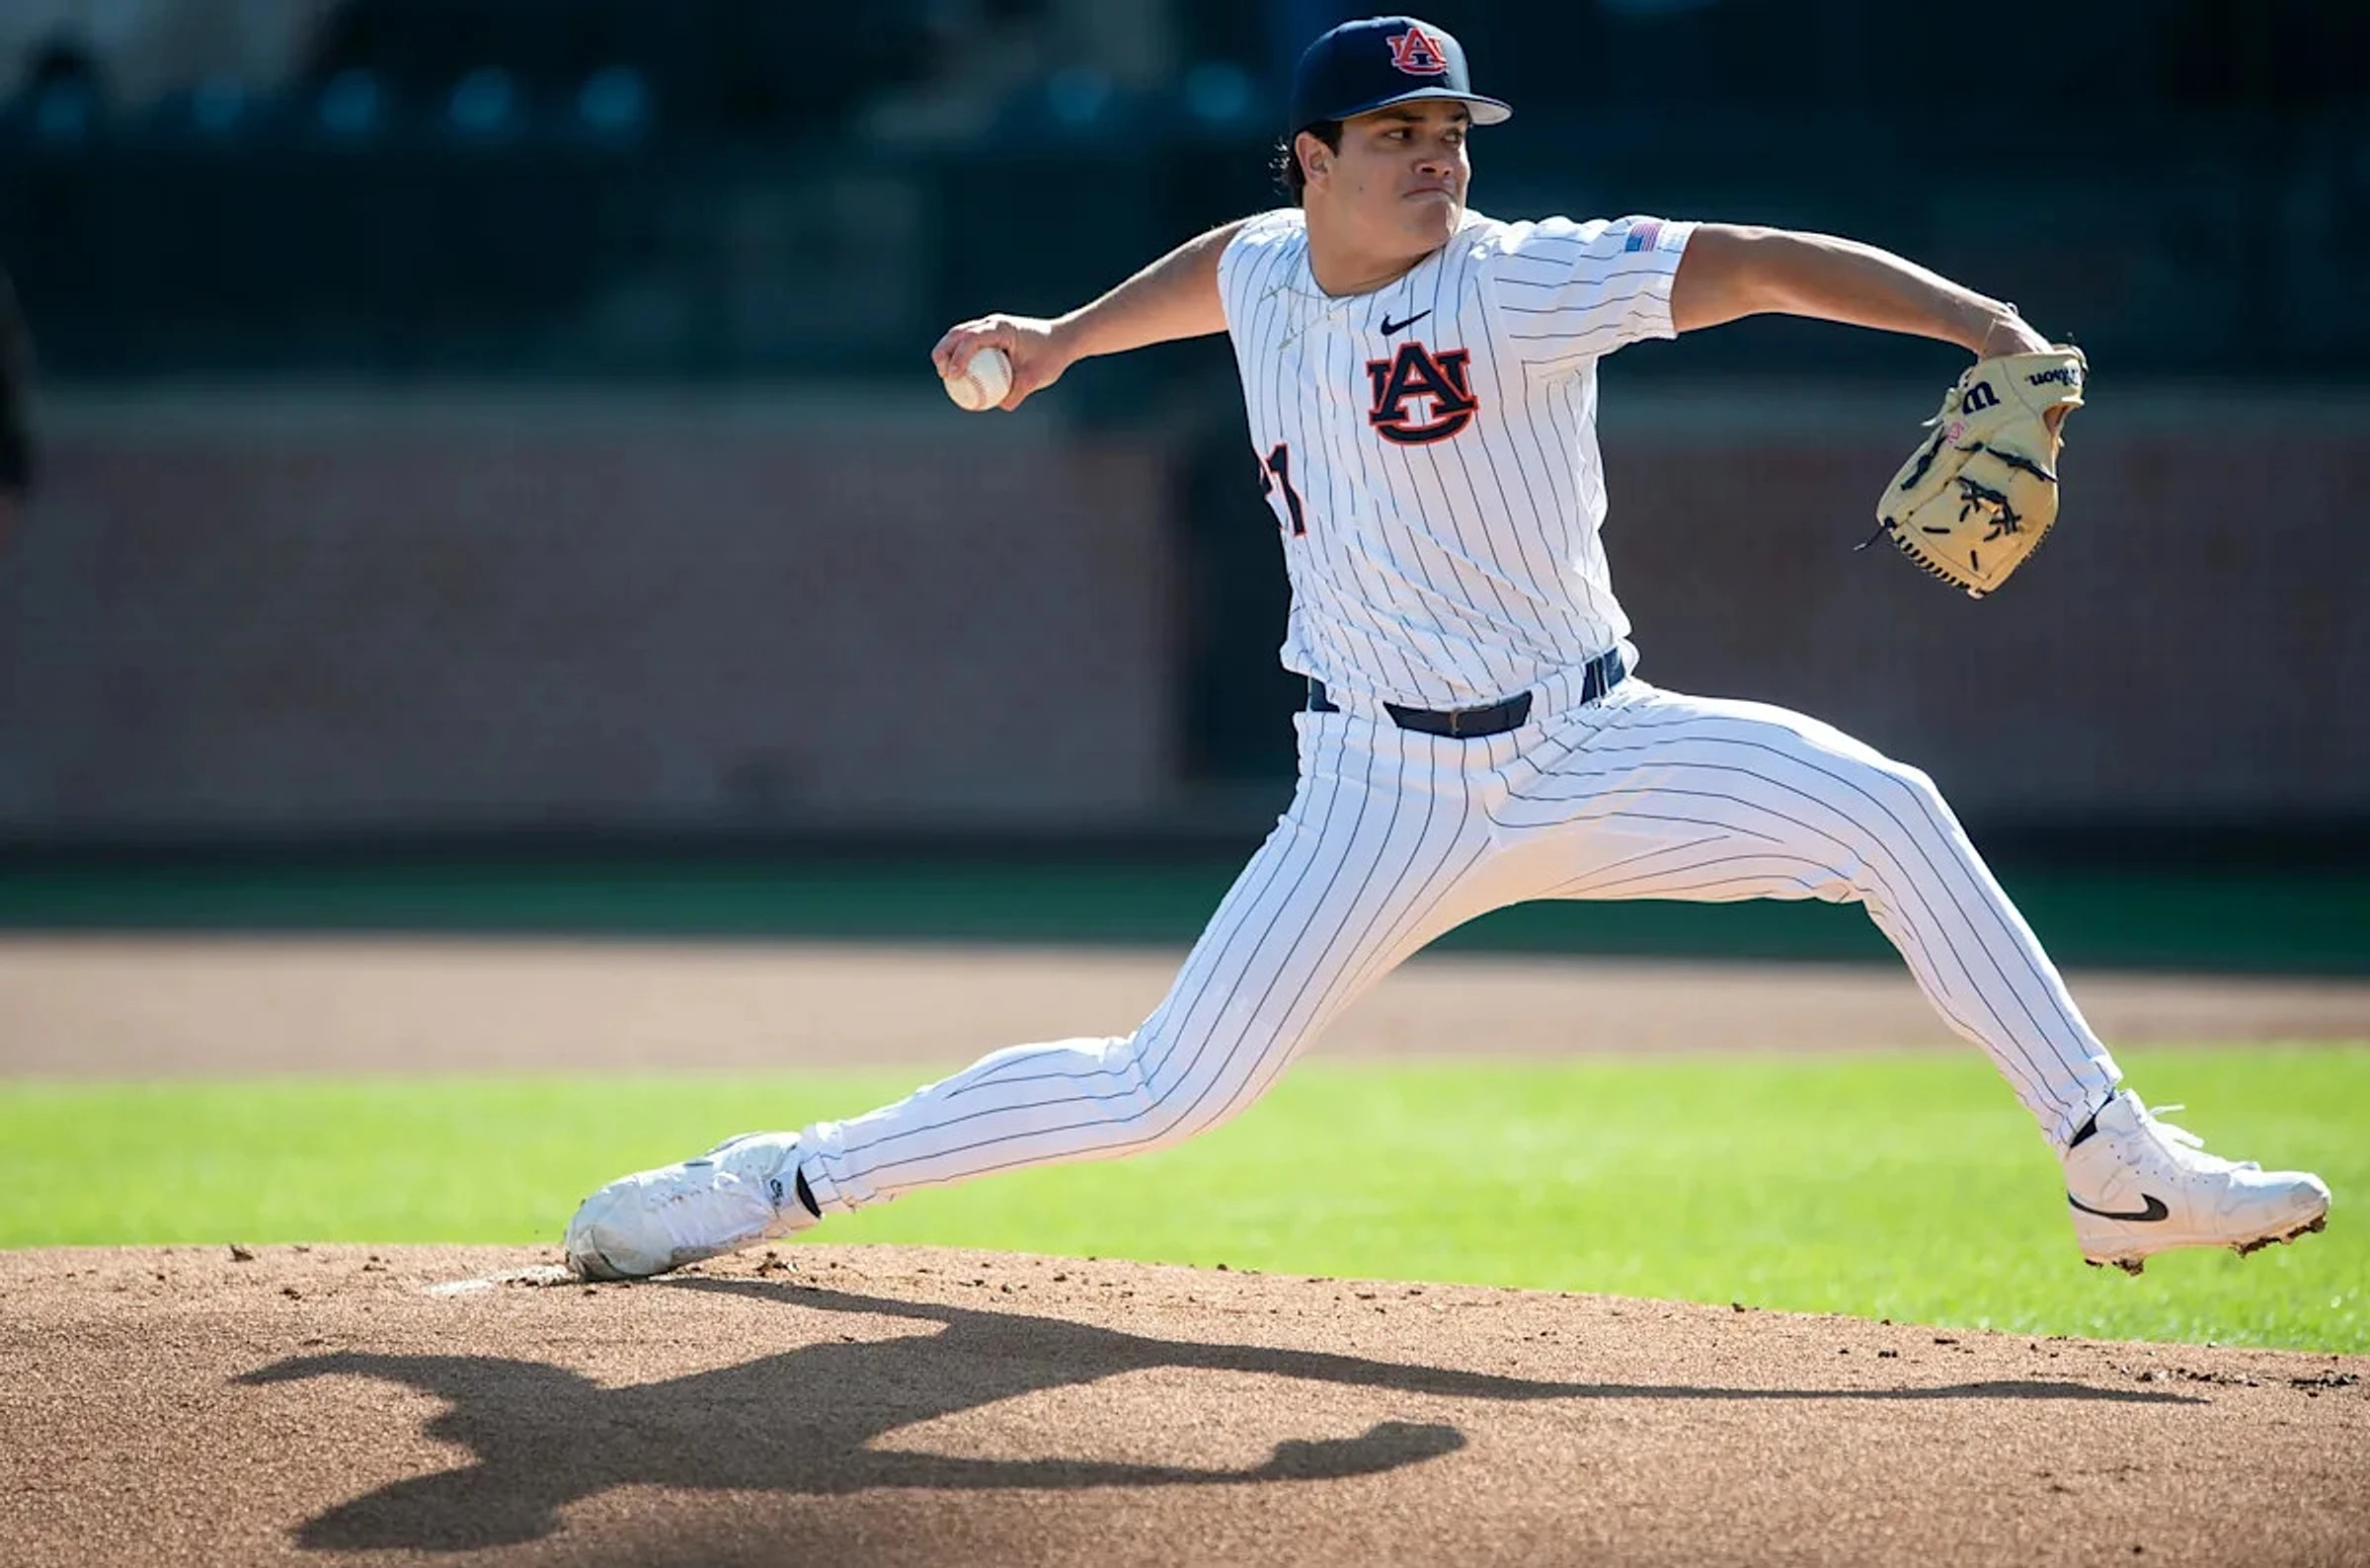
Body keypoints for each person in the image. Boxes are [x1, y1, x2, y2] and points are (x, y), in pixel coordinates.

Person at [564, 17, 2330, 1284]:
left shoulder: (1517, 279)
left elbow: (1764, 262)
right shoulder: (1268, 266)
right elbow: (1223, 270)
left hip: (1593, 742)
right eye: (1401, 137)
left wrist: (1988, 324)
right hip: (1377, 788)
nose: (1437, 158)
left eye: (1455, 133)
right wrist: (1060, 343)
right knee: (1167, 1091)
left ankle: (2118, 1166)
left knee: (1888, 810)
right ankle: (773, 1183)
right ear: (1315, 161)